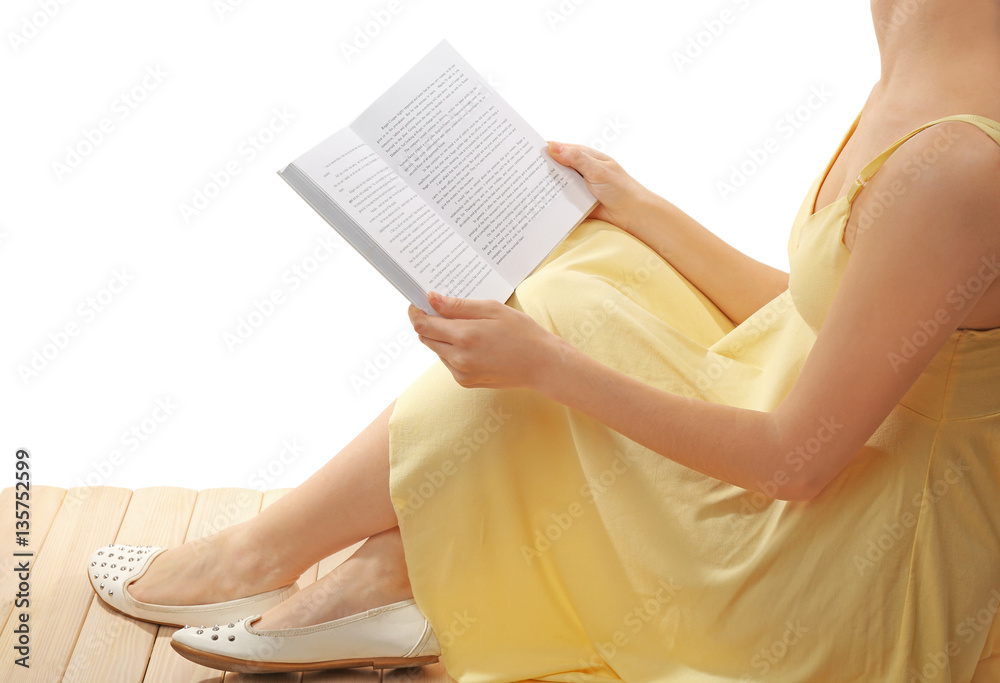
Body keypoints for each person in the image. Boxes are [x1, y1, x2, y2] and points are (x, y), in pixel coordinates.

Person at [86, 0, 1000, 679]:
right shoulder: (920, 64)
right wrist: (644, 209)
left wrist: (550, 367)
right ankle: (365, 572)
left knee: (558, 324)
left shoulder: (956, 158)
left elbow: (795, 463)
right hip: (847, 457)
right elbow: (837, 323)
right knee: (591, 264)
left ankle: (305, 565)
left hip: (860, 577)